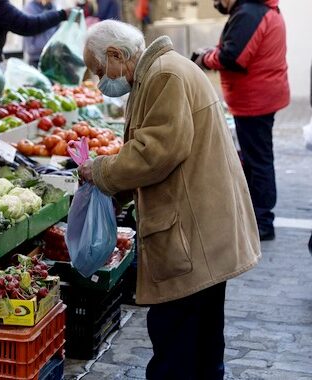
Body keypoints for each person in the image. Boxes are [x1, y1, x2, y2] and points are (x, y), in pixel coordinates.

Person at [80, 20, 261, 379]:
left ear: (117, 55)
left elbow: (155, 152)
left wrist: (100, 171)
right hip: (204, 227)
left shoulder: (164, 76)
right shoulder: (163, 71)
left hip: (194, 234)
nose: (102, 81)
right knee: (202, 342)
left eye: (101, 70)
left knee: (177, 343)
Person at [192, 0, 289, 241]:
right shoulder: (259, 8)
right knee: (256, 157)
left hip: (255, 100)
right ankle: (257, 215)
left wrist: (205, 59)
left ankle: (263, 221)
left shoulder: (250, 12)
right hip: (260, 95)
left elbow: (232, 57)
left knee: (258, 160)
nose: (217, 2)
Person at [23, 0, 60, 67]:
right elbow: (32, 28)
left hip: (51, 56)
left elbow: (56, 30)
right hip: (36, 56)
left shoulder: (53, 7)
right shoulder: (30, 8)